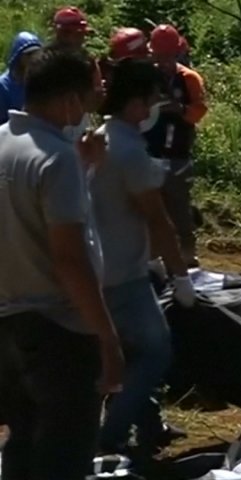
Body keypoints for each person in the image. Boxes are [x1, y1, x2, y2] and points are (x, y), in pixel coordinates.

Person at [0, 46, 124, 480]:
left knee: (23, 442)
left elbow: (28, 215)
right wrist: (107, 337)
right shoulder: (56, 159)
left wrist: (84, 169)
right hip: (60, 332)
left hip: (9, 324)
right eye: (90, 97)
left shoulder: (5, 144)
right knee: (64, 453)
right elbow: (70, 258)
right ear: (70, 99)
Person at [93, 57, 196, 457]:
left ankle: (150, 425)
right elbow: (157, 219)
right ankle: (111, 434)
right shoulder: (129, 151)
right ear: (136, 103)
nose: (156, 107)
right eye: (153, 99)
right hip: (124, 274)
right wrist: (180, 275)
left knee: (129, 350)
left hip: (101, 265)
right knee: (155, 352)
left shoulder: (99, 138)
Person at [144, 24, 209, 267]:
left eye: (168, 55)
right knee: (151, 213)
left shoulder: (189, 79)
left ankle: (187, 259)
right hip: (149, 154)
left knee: (180, 210)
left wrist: (179, 109)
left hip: (178, 156)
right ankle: (154, 261)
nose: (163, 61)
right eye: (159, 55)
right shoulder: (147, 76)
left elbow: (199, 111)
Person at [51, 5, 104, 108]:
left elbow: (95, 100)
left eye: (81, 34)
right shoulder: (46, 61)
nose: (77, 39)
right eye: (67, 33)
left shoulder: (88, 62)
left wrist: (97, 95)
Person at [0, 32, 42, 125]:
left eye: (36, 53)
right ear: (19, 56)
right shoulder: (3, 86)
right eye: (29, 54)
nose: (34, 57)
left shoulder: (39, 81)